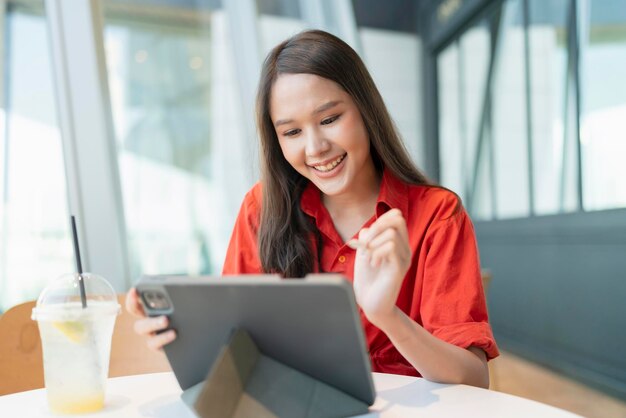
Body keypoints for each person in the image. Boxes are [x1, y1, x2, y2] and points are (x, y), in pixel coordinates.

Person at [126, 29, 499, 388]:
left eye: (330, 119)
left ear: (366, 110)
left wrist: (386, 315)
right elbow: (237, 347)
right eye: (292, 132)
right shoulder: (262, 209)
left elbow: (473, 377)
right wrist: (185, 330)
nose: (316, 147)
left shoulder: (437, 214)